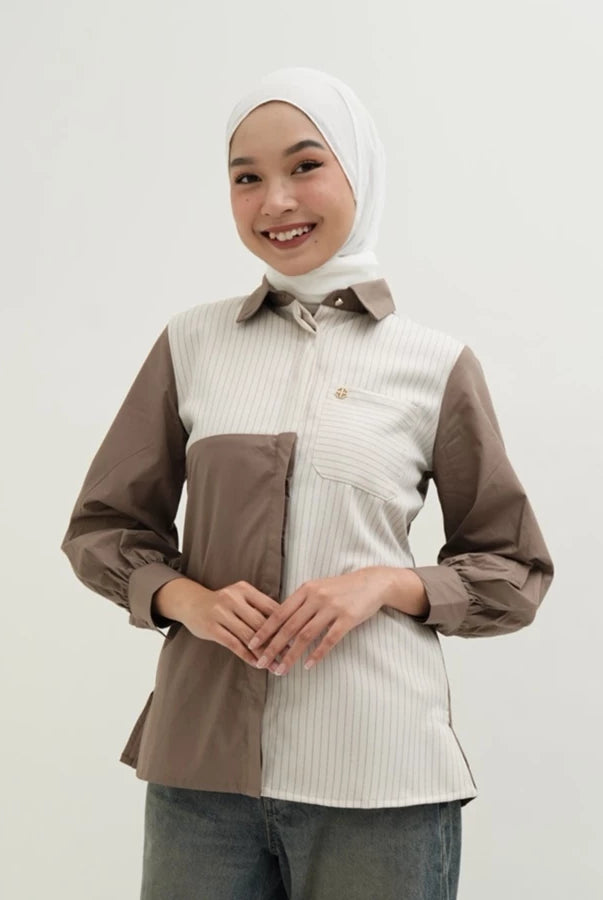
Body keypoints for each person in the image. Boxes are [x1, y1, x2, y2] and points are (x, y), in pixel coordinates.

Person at [60, 67, 554, 900]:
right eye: (246, 178)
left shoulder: (432, 363)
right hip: (201, 779)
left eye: (304, 166)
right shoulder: (192, 343)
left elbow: (514, 569)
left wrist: (385, 584)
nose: (276, 201)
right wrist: (187, 600)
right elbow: (103, 527)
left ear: (358, 169)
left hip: (380, 779)